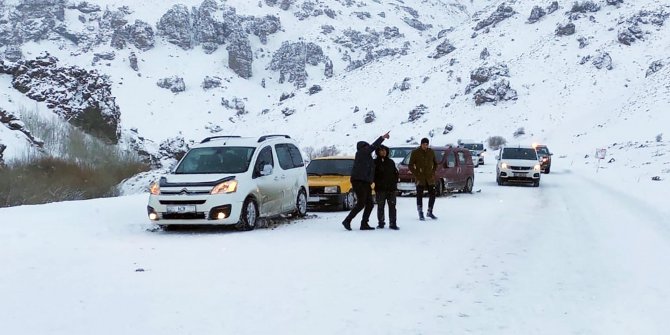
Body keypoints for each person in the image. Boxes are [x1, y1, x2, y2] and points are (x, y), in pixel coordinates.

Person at [342, 131, 390, 231]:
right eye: (367, 146)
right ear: (363, 147)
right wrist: (382, 137)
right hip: (359, 181)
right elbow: (373, 146)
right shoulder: (362, 152)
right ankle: (347, 220)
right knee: (361, 203)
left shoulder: (366, 156)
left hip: (365, 182)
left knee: (370, 204)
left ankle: (364, 223)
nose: (369, 148)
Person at [408, 137, 438, 220]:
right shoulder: (415, 152)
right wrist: (416, 174)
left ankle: (430, 211)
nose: (425, 146)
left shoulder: (431, 152)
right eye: (424, 144)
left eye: (427, 144)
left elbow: (435, 164)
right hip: (420, 178)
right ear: (421, 144)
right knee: (419, 195)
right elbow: (410, 165)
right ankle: (420, 212)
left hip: (429, 178)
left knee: (433, 194)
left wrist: (433, 172)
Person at [373, 145, 399, 230]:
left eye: (384, 150)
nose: (383, 152)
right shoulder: (375, 162)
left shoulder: (391, 162)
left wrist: (394, 183)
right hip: (380, 189)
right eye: (381, 150)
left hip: (391, 188)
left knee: (392, 206)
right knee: (380, 206)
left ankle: (393, 223)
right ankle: (381, 223)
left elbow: (396, 173)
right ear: (378, 152)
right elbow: (373, 175)